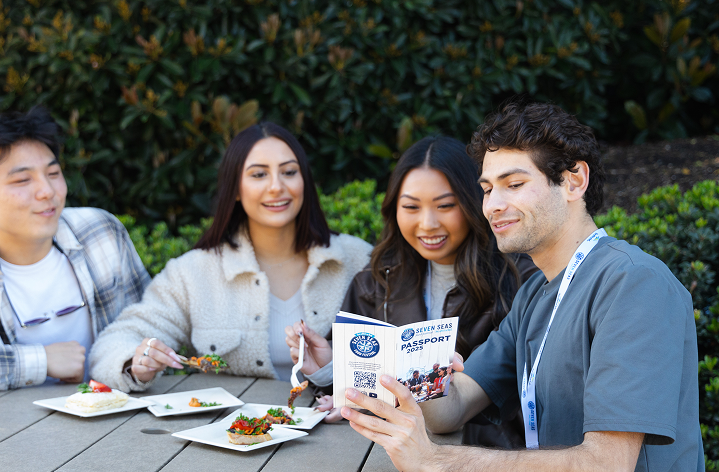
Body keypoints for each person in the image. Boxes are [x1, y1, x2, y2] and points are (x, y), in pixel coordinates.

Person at [340, 101, 703, 471]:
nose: (493, 205)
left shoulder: (634, 283)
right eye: (486, 188)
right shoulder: (535, 293)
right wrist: (418, 374)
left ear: (574, 180)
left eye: (514, 184)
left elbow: (607, 464)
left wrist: (436, 460)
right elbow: (454, 409)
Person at [286, 136, 536, 446]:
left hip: (485, 455)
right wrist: (328, 367)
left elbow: (519, 389)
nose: (428, 224)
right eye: (411, 207)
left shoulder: (519, 280)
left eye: (445, 206)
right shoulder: (375, 280)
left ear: (475, 203)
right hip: (379, 452)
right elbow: (356, 392)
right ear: (395, 208)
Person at [88, 122, 372, 391]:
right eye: (259, 174)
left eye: (288, 172)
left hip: (349, 434)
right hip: (232, 436)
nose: (276, 186)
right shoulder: (194, 272)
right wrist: (136, 363)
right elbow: (114, 342)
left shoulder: (357, 259)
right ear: (235, 189)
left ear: (304, 181)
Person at [0, 107, 150, 395]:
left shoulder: (100, 232)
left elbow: (146, 322)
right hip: (5, 432)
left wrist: (134, 362)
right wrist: (40, 362)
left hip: (115, 416)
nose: (47, 191)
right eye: (22, 180)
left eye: (53, 173)